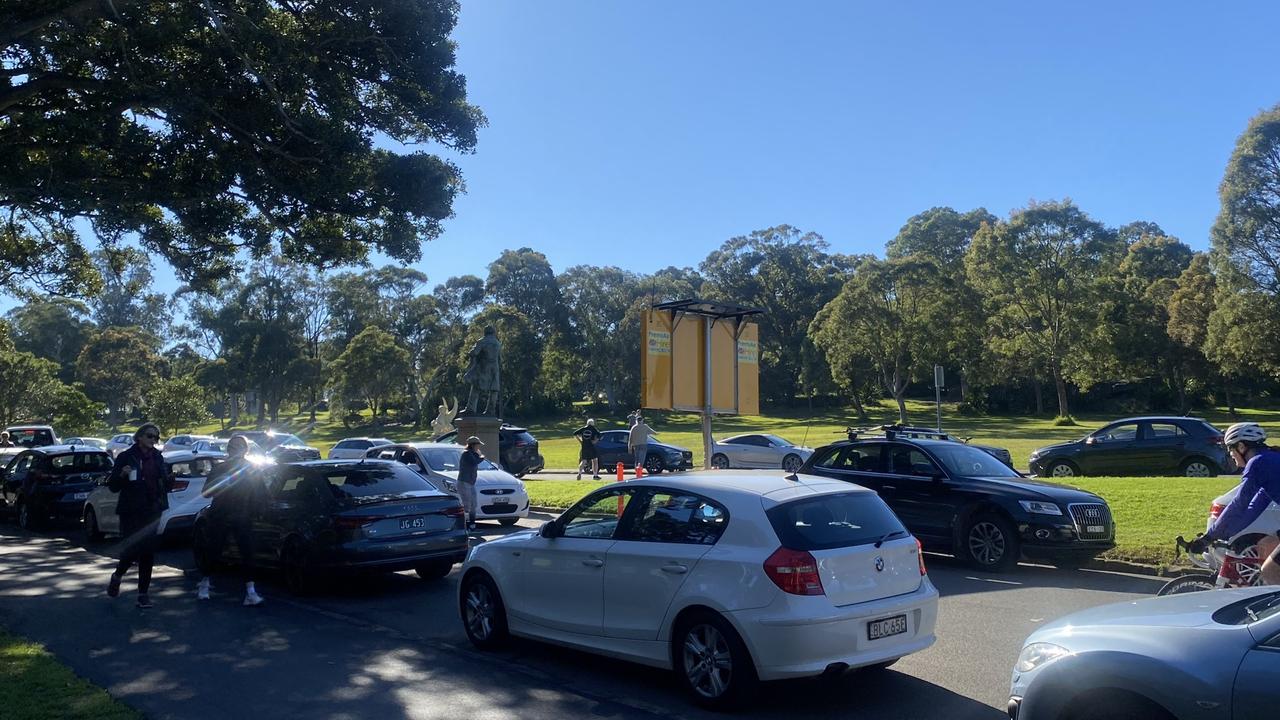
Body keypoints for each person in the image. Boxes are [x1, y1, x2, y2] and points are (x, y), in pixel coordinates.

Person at [1189, 422, 1280, 585]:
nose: (1230, 454)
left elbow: (1239, 503)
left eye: (1230, 448)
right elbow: (1254, 508)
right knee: (1267, 548)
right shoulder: (1269, 459)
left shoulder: (1258, 463)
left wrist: (1209, 536)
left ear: (1241, 446)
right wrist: (1224, 533)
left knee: (1270, 571)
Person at [106, 423, 173, 608]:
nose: (153, 440)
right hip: (131, 511)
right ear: (140, 437)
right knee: (131, 551)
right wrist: (121, 474)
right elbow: (113, 486)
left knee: (147, 553)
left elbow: (164, 484)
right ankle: (117, 576)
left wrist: (169, 480)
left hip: (152, 510)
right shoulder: (126, 457)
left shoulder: (158, 458)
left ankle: (143, 594)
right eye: (150, 436)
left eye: (156, 438)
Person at [195, 435, 265, 606]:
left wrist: (259, 510)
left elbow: (261, 492)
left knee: (248, 553)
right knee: (214, 551)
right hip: (220, 514)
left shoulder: (252, 468)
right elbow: (206, 492)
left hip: (243, 515)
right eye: (233, 447)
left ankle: (250, 592)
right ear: (228, 449)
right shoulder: (219, 468)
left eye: (240, 447)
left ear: (246, 450)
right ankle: (204, 584)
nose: (236, 450)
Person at [458, 436, 483, 530]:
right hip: (464, 482)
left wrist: (478, 455)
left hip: (471, 483)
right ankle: (462, 526)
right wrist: (482, 457)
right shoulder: (466, 454)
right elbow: (475, 462)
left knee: (473, 505)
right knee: (466, 505)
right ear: (473, 445)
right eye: (478, 445)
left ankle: (472, 525)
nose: (479, 447)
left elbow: (476, 458)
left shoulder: (473, 453)